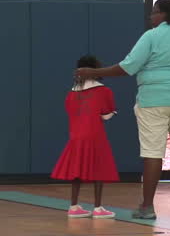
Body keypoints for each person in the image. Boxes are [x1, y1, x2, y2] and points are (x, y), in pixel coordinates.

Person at [75, 0, 170, 220]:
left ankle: (147, 207)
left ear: (163, 14)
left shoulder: (151, 36)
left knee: (152, 153)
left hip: (153, 102)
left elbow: (127, 67)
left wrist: (92, 73)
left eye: (154, 12)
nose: (151, 16)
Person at [51, 55, 119, 219]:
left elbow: (70, 112)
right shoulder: (104, 91)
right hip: (96, 135)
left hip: (75, 137)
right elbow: (105, 115)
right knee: (99, 169)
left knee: (76, 170)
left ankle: (73, 206)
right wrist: (112, 112)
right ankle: (98, 208)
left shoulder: (71, 94)